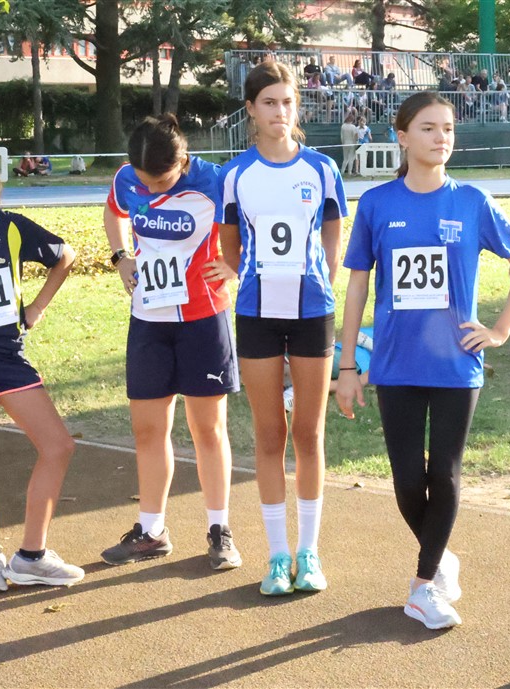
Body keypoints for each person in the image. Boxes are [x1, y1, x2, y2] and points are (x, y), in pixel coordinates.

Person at [336, 91, 510, 630]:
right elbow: (358, 287)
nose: (441, 137)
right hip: (396, 362)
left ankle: (422, 587)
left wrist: (500, 330)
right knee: (406, 481)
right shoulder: (377, 203)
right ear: (402, 137)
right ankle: (440, 555)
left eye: (447, 128)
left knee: (443, 473)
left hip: (456, 364)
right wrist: (348, 365)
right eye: (427, 127)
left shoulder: (473, 201)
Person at [217, 60, 348, 596]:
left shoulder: (321, 169)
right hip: (256, 314)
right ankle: (276, 556)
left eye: (287, 102)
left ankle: (309, 553)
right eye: (269, 102)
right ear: (251, 109)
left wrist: (326, 275)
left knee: (310, 433)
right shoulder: (235, 175)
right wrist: (244, 275)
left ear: (297, 106)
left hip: (313, 310)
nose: (280, 111)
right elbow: (230, 246)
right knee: (270, 434)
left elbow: (334, 228)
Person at [99, 114, 242, 571]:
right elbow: (113, 212)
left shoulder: (215, 181)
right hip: (148, 320)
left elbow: (254, 223)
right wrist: (120, 257)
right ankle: (152, 530)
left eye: (161, 181)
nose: (152, 189)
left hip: (203, 319)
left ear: (182, 161)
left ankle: (219, 530)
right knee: (148, 430)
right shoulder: (127, 178)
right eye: (145, 182)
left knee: (207, 429)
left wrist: (235, 264)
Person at [0, 165, 82, 590]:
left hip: (6, 355)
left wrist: (38, 306)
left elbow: (65, 255)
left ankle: (30, 556)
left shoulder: (9, 227)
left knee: (58, 445)